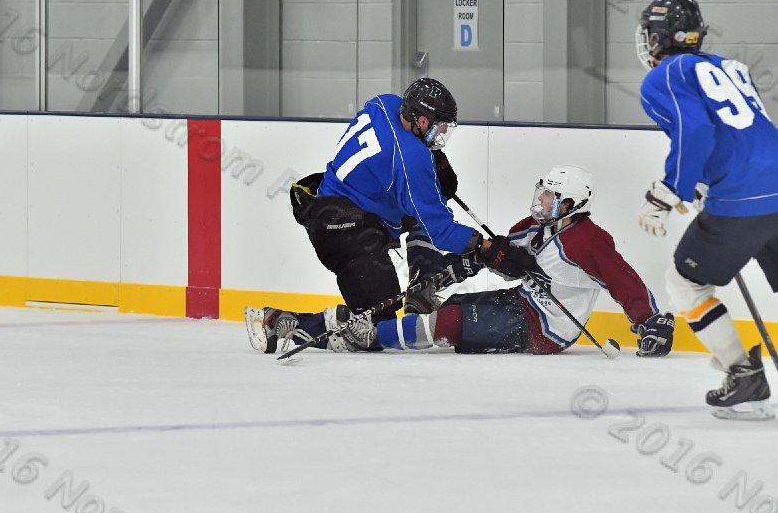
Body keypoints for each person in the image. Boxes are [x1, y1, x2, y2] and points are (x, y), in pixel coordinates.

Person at [245, 77, 534, 353]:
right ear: (421, 120)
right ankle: (281, 322)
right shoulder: (412, 160)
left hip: (335, 202)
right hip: (344, 234)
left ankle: (422, 285)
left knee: (427, 207)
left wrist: (434, 164)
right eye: (439, 127)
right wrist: (486, 249)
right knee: (374, 328)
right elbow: (441, 231)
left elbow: (395, 153)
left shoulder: (385, 103)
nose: (443, 134)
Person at [346, 165, 673, 357]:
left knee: (452, 323)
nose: (541, 200)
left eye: (550, 196)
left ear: (570, 203)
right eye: (542, 192)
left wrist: (649, 321)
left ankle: (372, 335)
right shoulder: (533, 228)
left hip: (544, 330)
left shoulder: (588, 240)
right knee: (453, 304)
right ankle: (381, 330)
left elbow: (621, 279)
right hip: (520, 303)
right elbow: (496, 253)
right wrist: (459, 269)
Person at [636, 0, 778, 420]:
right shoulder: (729, 67)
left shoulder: (663, 75)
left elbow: (695, 132)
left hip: (741, 196)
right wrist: (703, 180)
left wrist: (668, 193)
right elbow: (747, 131)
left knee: (685, 284)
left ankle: (744, 376)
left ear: (657, 37)